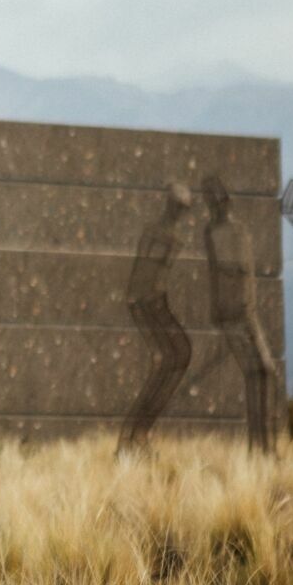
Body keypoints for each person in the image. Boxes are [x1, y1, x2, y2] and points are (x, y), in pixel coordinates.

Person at [190, 176, 279, 454]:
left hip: (244, 310)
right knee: (257, 371)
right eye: (212, 200)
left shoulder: (235, 230)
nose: (218, 204)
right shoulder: (216, 232)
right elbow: (229, 268)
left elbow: (242, 271)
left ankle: (264, 445)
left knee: (263, 371)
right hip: (233, 312)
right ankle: (260, 446)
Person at [117, 183, 194, 456]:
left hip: (152, 300)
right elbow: (148, 273)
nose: (181, 213)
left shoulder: (165, 234)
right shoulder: (163, 235)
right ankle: (135, 435)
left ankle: (138, 434)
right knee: (171, 358)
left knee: (177, 357)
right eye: (179, 207)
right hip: (148, 301)